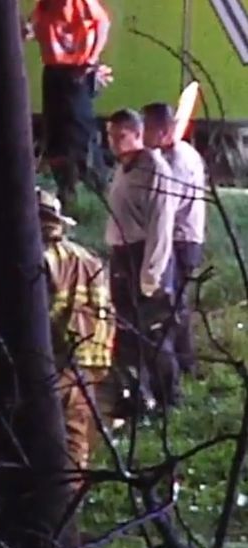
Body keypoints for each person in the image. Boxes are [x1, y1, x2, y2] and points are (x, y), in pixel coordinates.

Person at [104, 108, 181, 411]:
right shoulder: (124, 168)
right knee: (127, 334)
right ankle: (137, 397)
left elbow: (161, 225)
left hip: (144, 257)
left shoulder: (154, 169)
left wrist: (151, 274)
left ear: (137, 135)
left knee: (153, 335)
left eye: (120, 136)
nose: (113, 142)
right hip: (123, 257)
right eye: (110, 136)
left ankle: (168, 400)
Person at [38, 189, 115, 487]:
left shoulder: (43, 259)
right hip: (94, 356)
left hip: (60, 357)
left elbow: (37, 314)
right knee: (76, 432)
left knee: (46, 432)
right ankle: (71, 497)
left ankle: (56, 498)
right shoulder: (89, 258)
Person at [142, 102, 208, 377]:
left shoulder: (177, 160)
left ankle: (184, 366)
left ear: (161, 130)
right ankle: (182, 364)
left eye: (145, 127)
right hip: (183, 237)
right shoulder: (180, 153)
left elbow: (169, 206)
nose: (142, 134)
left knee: (174, 305)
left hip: (181, 240)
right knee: (175, 304)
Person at [26, 0, 112, 207]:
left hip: (76, 71)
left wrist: (91, 60)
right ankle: (65, 189)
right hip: (54, 70)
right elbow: (35, 27)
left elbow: (102, 23)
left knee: (78, 133)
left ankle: (96, 187)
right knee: (56, 132)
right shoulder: (46, 4)